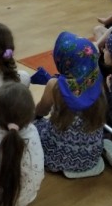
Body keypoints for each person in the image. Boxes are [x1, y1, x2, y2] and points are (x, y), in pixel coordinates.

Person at [34, 32, 106, 177]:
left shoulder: (55, 85)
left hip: (57, 157)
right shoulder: (98, 81)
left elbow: (41, 111)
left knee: (35, 125)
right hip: (90, 157)